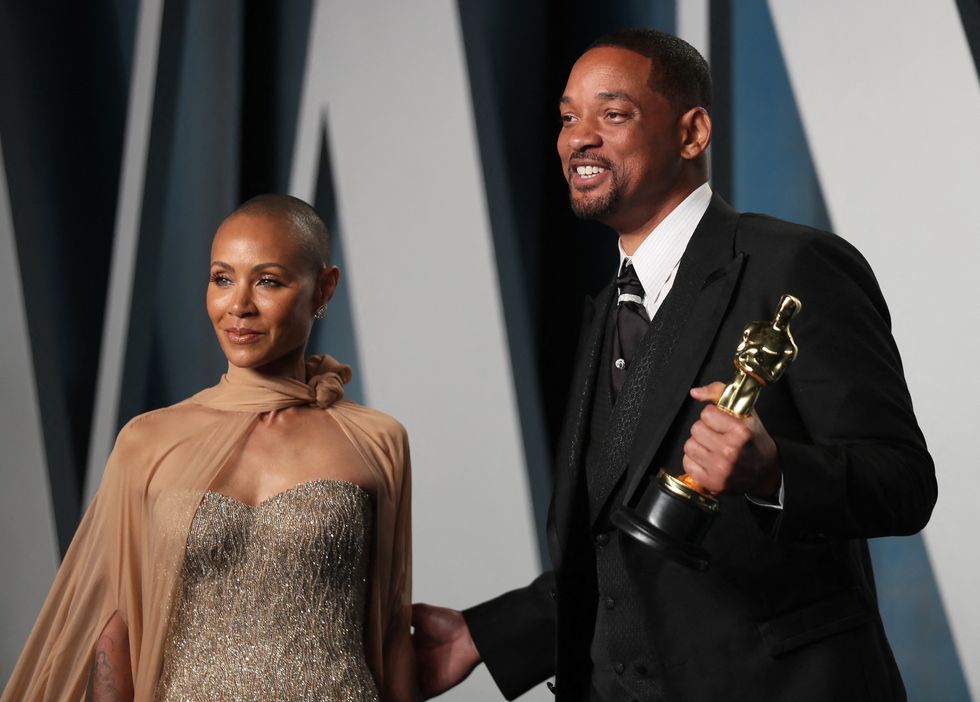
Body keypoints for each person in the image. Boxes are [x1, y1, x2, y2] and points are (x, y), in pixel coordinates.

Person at [412, 29, 936, 701]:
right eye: (569, 117)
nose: (579, 137)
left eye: (613, 113)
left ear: (692, 133)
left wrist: (774, 471)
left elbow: (902, 481)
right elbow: (622, 548)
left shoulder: (793, 264)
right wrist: (484, 635)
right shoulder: (607, 307)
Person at [2, 195, 419, 701]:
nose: (238, 305)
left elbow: (394, 633)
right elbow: (117, 632)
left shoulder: (376, 440)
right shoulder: (148, 441)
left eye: (267, 281)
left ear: (323, 288)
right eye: (222, 278)